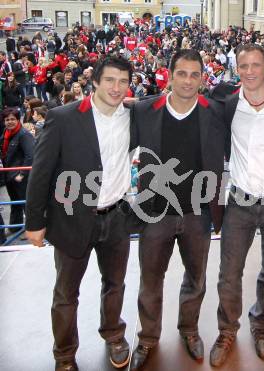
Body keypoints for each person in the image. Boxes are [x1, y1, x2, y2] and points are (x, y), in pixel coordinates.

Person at [25, 56, 136, 371]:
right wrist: (34, 222)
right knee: (65, 293)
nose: (116, 88)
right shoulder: (63, 118)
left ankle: (114, 334)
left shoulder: (132, 116)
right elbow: (40, 173)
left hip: (116, 217)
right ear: (96, 82)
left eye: (123, 81)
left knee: (115, 284)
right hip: (72, 218)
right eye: (110, 80)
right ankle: (64, 355)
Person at [129, 49, 225, 370]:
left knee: (196, 278)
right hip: (155, 212)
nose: (187, 80)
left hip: (197, 212)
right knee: (151, 280)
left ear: (202, 77)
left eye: (194, 74)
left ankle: (189, 329)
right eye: (181, 73)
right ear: (169, 75)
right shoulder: (144, 111)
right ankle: (147, 337)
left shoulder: (214, 112)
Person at [209, 43, 264, 368]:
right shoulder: (226, 104)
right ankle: (226, 330)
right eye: (242, 65)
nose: (249, 71)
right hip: (239, 202)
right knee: (228, 274)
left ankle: (259, 325)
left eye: (255, 65)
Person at [0, 108, 35, 233]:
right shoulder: (6, 132)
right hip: (9, 175)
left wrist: (21, 174)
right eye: (7, 119)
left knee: (26, 203)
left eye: (12, 119)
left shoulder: (23, 134)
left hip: (20, 176)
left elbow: (30, 156)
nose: (10, 122)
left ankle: (31, 230)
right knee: (15, 202)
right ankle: (15, 228)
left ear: (17, 119)